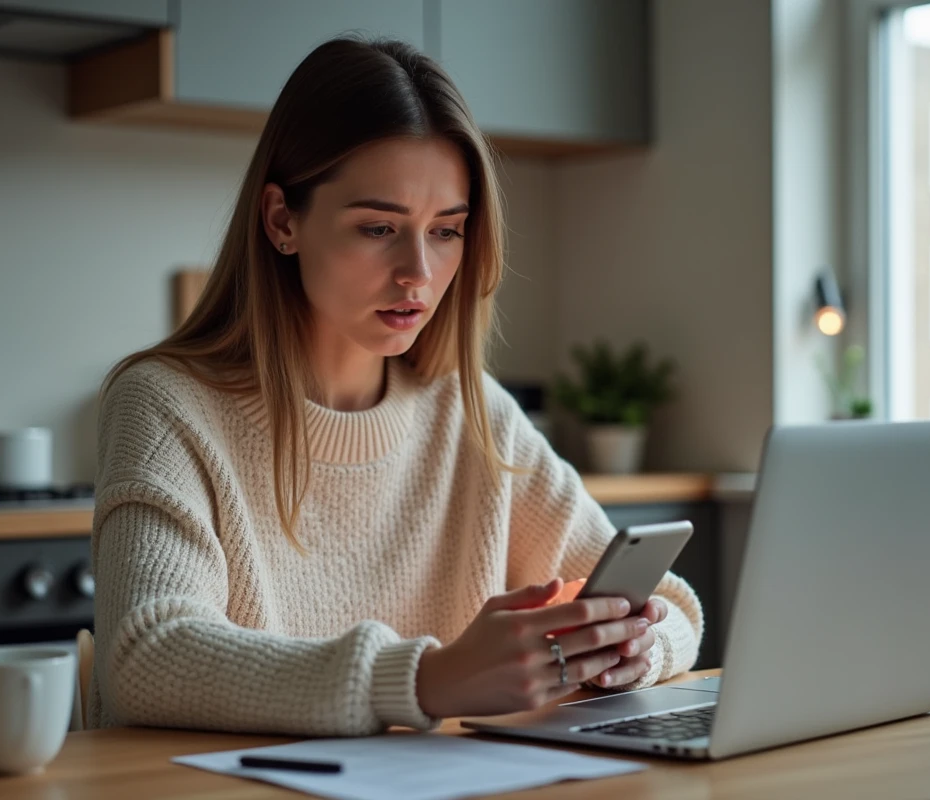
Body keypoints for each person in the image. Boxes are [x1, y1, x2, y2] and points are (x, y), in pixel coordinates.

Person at [89, 36, 702, 736]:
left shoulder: (474, 416)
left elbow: (673, 605)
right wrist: (424, 680)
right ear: (282, 220)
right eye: (379, 227)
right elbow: (148, 657)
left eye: (446, 231)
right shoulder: (165, 403)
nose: (418, 271)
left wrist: (637, 651)